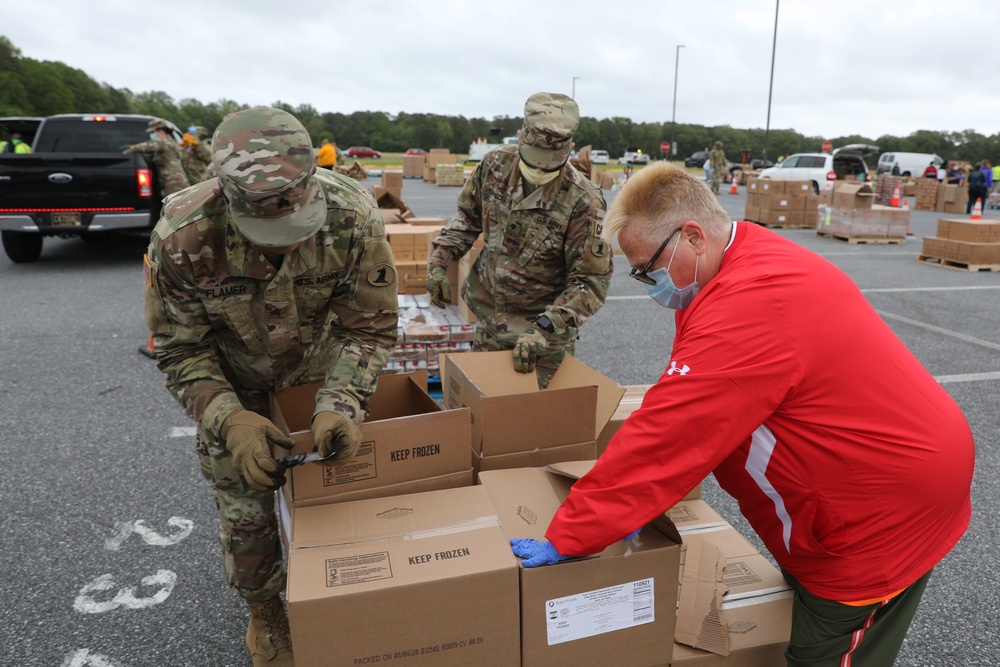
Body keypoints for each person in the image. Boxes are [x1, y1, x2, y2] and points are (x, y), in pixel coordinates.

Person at [509, 162, 974, 667]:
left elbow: (671, 433)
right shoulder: (735, 260)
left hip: (881, 514)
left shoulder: (749, 304)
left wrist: (574, 533)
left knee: (823, 651)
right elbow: (695, 401)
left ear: (693, 236)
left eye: (648, 269)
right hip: (886, 466)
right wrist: (619, 508)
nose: (648, 284)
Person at [143, 107, 398, 666]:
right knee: (248, 519)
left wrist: (342, 402)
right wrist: (230, 422)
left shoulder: (352, 217)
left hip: (320, 376)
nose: (282, 246)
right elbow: (180, 348)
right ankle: (267, 615)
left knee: (335, 502)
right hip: (233, 388)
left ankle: (346, 600)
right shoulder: (183, 236)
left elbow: (369, 326)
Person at [426, 92, 611, 388]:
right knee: (484, 413)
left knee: (535, 424)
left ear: (569, 148)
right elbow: (466, 220)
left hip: (543, 340)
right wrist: (440, 260)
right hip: (489, 321)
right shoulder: (494, 166)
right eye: (534, 161)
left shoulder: (584, 202)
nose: (538, 171)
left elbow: (589, 283)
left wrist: (545, 328)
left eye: (548, 165)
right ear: (520, 136)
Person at [124, 119, 190, 196]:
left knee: (175, 205)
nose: (152, 134)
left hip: (173, 182)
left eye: (153, 132)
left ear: (161, 131)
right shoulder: (170, 141)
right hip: (177, 179)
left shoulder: (162, 142)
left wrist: (126, 151)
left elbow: (144, 147)